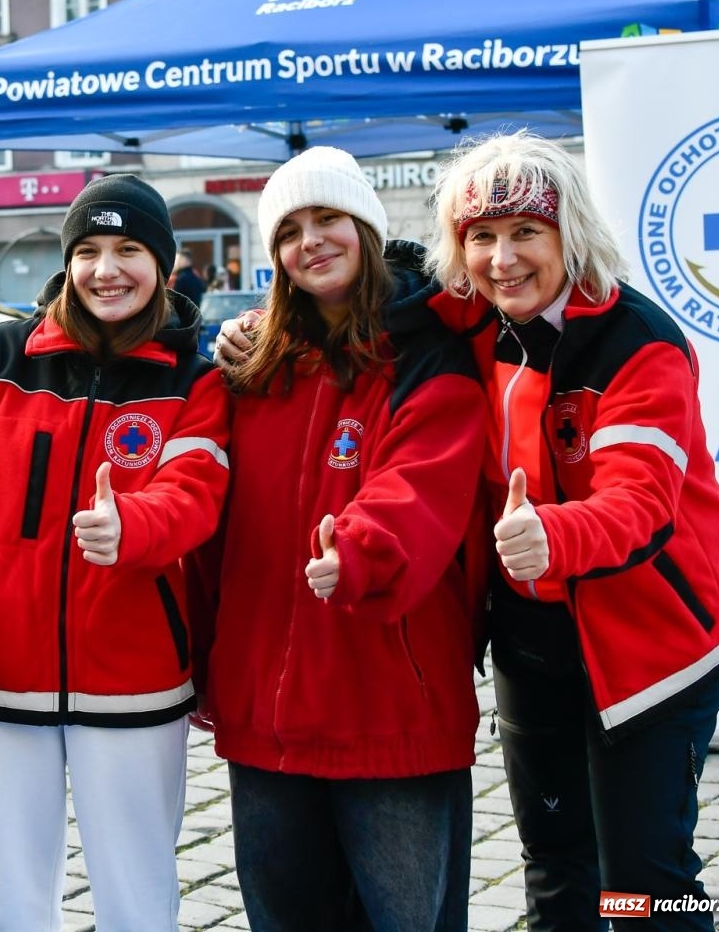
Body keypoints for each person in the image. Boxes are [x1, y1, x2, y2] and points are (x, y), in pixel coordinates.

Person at [425, 132, 719, 930]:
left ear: (571, 232)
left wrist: (553, 538)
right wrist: (254, 326)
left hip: (652, 645)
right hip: (533, 638)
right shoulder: (470, 321)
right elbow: (364, 286)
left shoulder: (640, 344)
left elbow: (640, 502)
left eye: (527, 231)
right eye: (482, 236)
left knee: (643, 881)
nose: (503, 258)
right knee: (558, 862)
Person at [0, 173, 231, 930]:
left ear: (161, 262)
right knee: (14, 900)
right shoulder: (1, 354)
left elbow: (195, 495)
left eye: (128, 249)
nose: (106, 269)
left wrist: (134, 526)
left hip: (135, 681)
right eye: (88, 250)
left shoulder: (198, 374)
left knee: (137, 894)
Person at [192, 147, 485, 931]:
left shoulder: (429, 357)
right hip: (264, 717)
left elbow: (420, 484)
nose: (310, 241)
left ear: (366, 225)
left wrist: (359, 548)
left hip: (388, 709)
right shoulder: (251, 367)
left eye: (327, 219)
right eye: (289, 230)